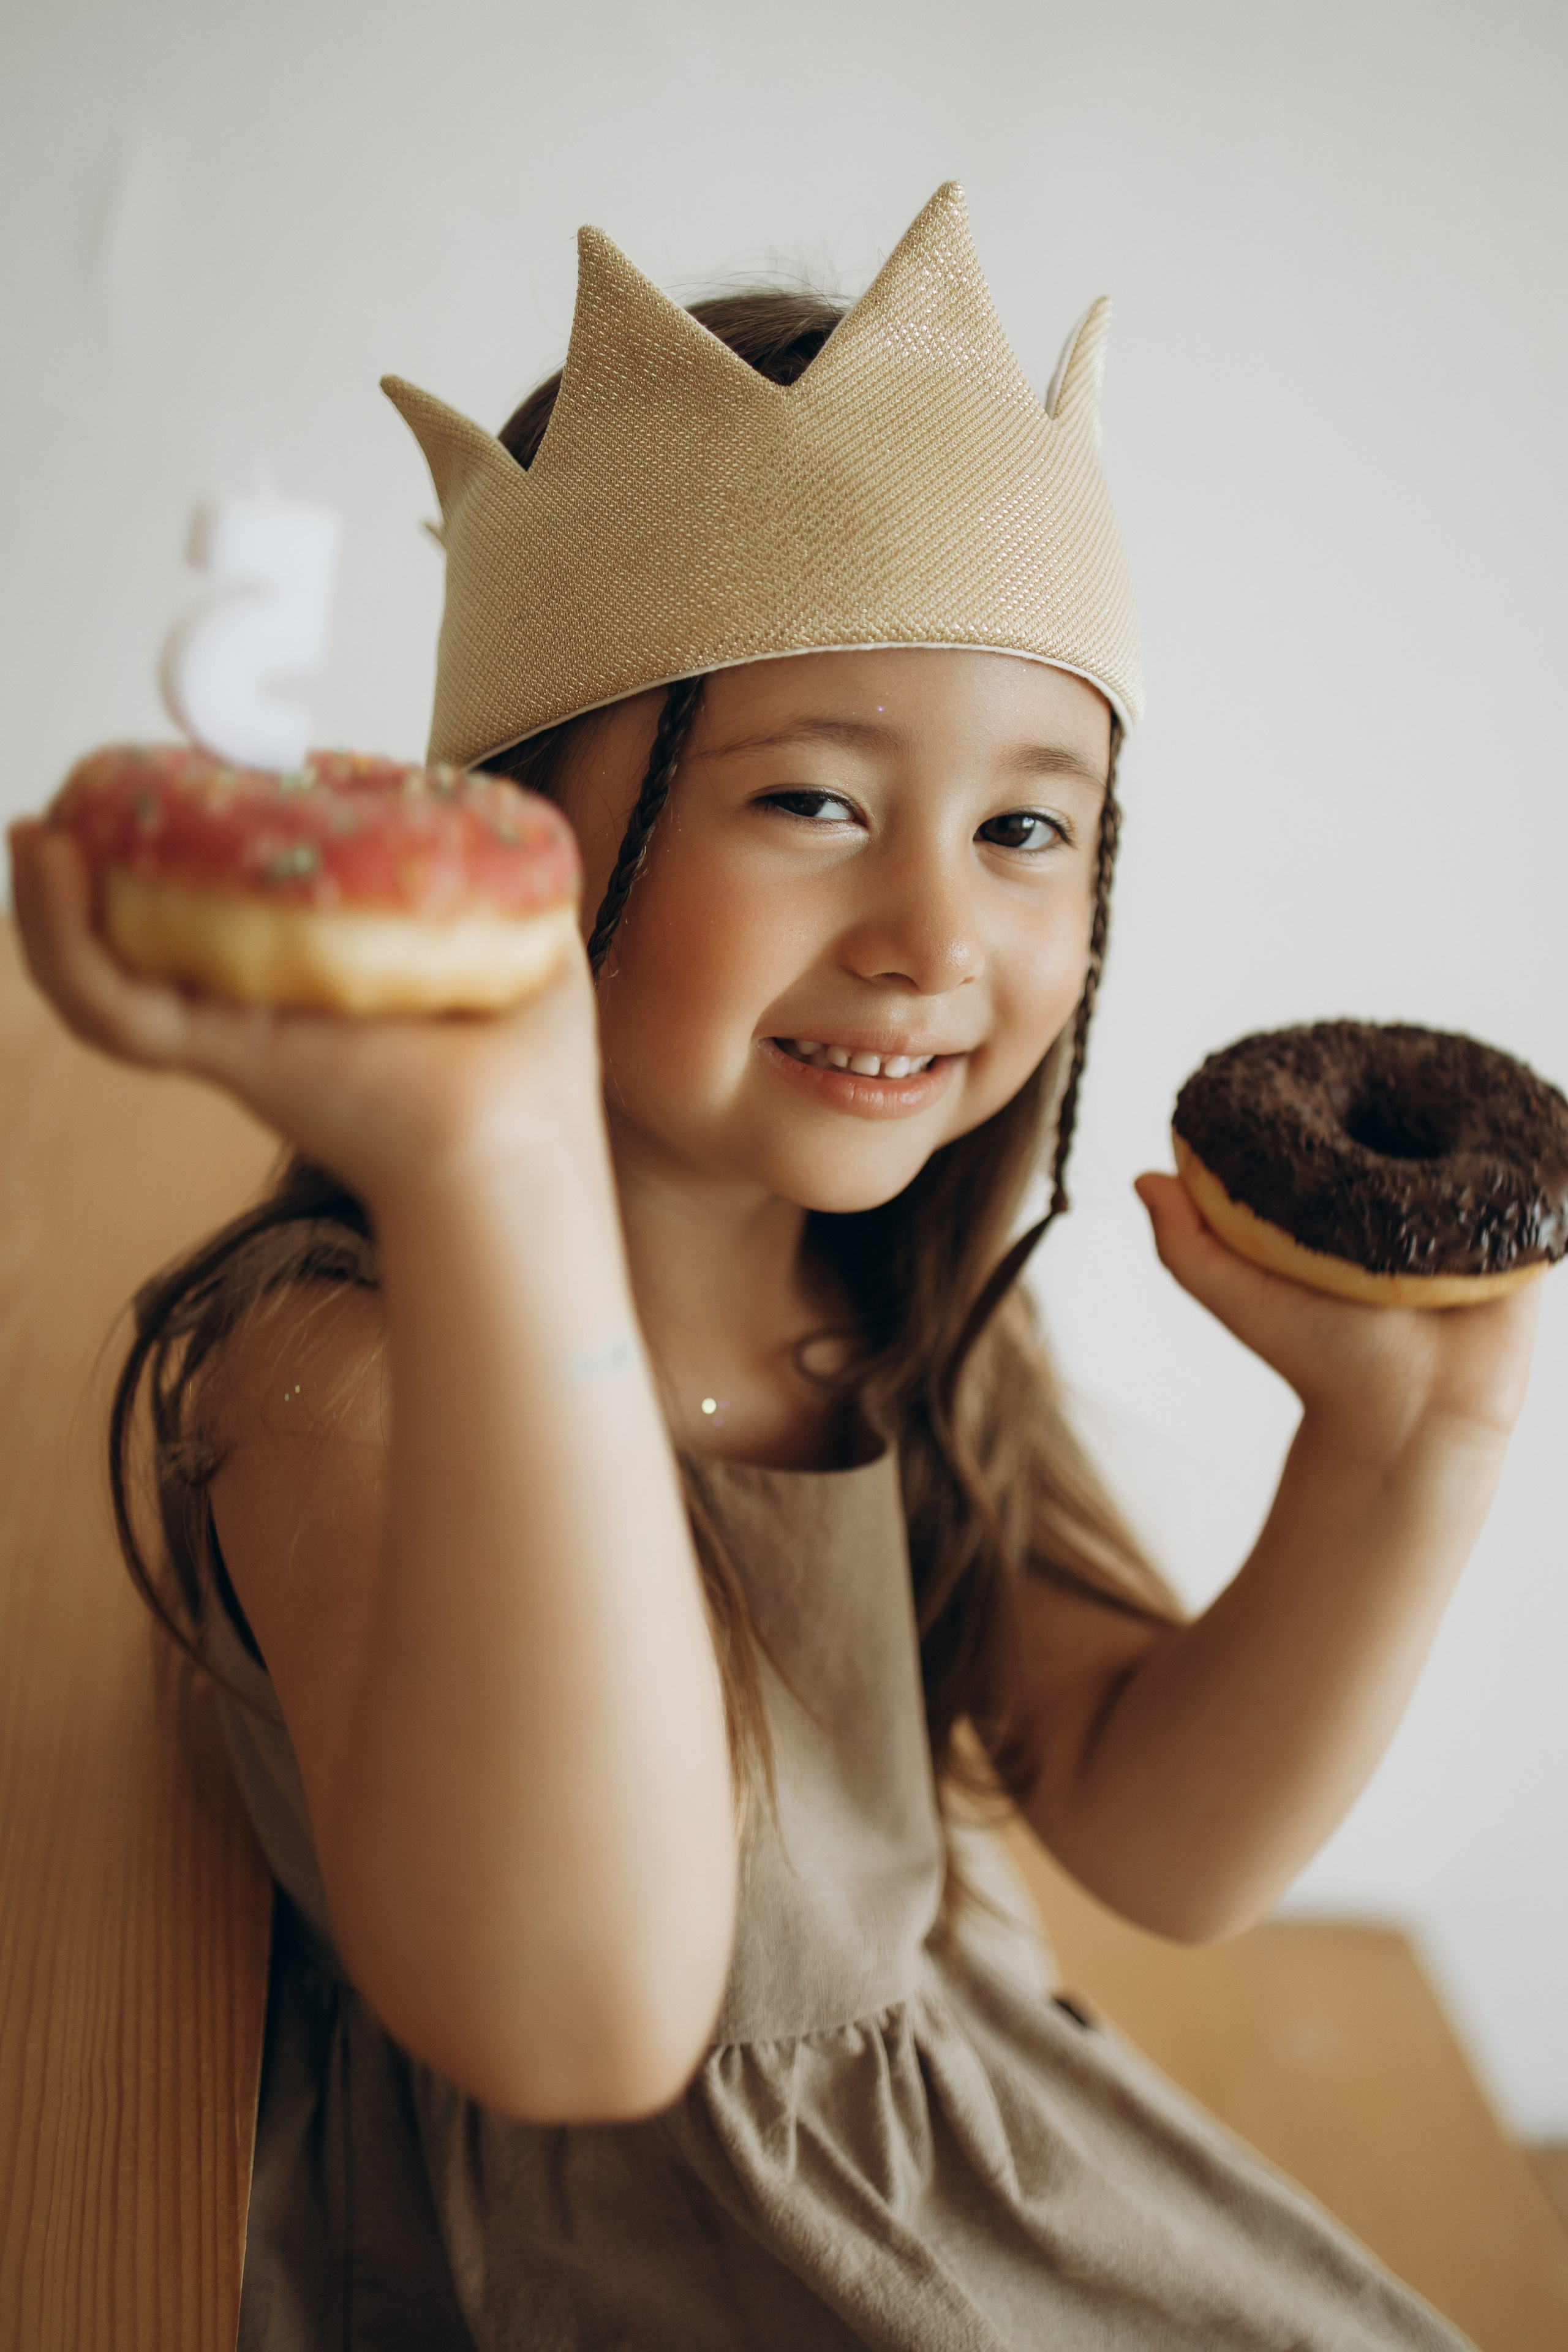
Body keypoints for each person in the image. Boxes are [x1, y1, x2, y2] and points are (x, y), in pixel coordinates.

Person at [9, 186, 1535, 2350]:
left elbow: (1154, 1837)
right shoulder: (343, 1369)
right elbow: (592, 2017)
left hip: (949, 2164)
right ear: (520, 832)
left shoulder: (888, 1315)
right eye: (814, 801)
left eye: (1027, 830)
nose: (933, 932)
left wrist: (1415, 1462)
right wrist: (492, 1165)